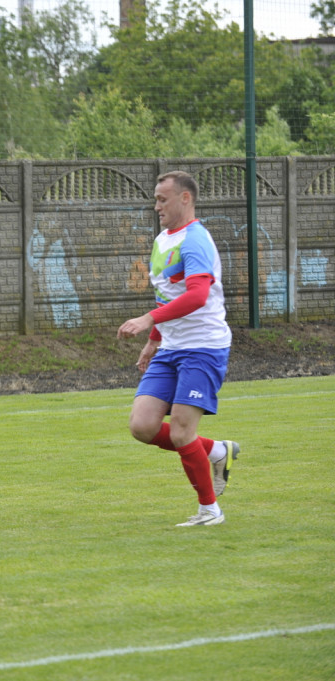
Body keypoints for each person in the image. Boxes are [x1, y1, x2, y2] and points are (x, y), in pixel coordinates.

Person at [117, 171, 239, 526]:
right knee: (142, 426)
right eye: (156, 199)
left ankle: (209, 510)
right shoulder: (161, 240)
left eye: (162, 199)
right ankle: (217, 450)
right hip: (171, 347)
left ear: (185, 198)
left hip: (203, 347)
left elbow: (198, 295)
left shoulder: (196, 240)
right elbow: (165, 294)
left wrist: (146, 319)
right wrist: (154, 340)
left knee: (184, 431)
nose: (157, 206)